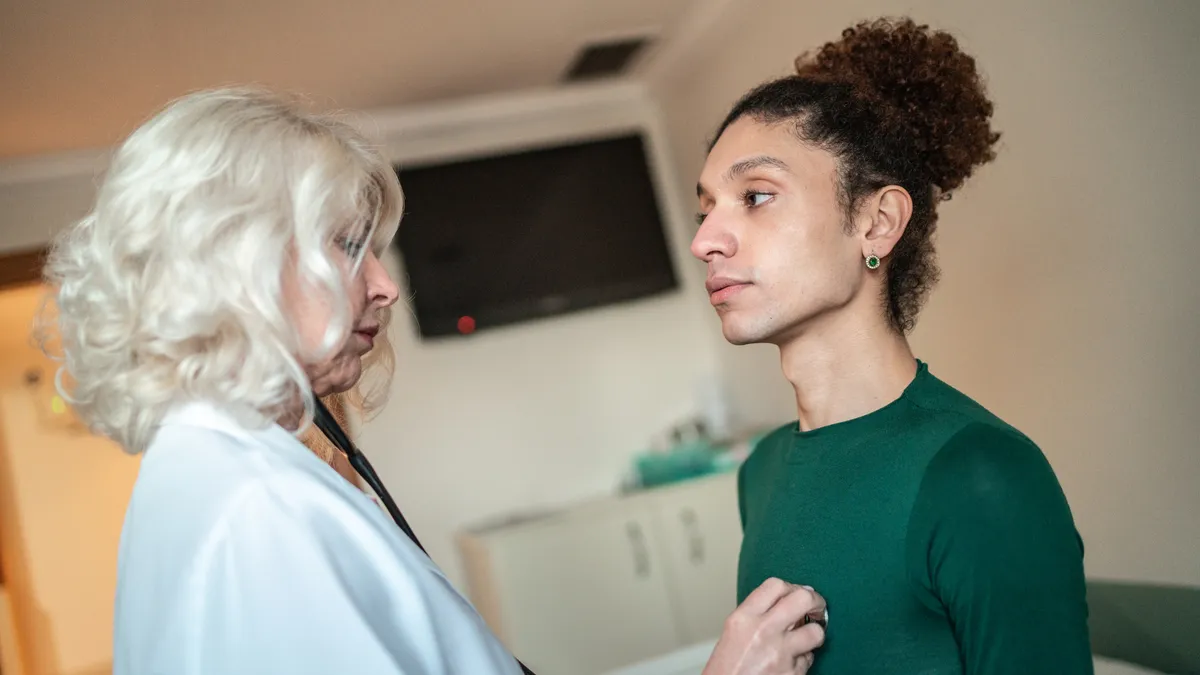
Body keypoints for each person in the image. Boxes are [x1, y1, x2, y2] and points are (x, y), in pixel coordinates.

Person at [41, 87, 827, 674]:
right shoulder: (255, 512)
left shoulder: (214, 476)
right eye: (349, 246)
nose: (385, 286)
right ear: (232, 266)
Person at [691, 17, 1093, 675]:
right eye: (704, 210)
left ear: (876, 223)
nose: (705, 240)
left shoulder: (983, 477)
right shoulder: (759, 475)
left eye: (756, 196)